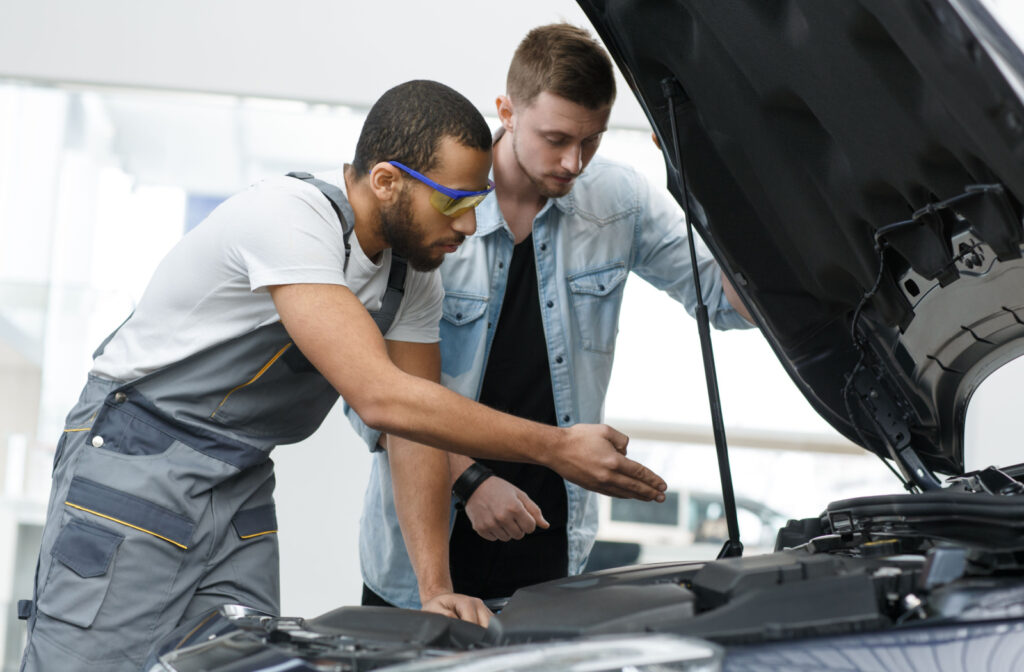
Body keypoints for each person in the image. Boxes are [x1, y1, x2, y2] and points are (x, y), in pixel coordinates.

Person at [19, 79, 667, 672]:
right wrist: (555, 447)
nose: (469, 227)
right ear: (387, 182)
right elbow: (380, 397)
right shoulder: (289, 220)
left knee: (248, 661)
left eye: (476, 204)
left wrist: (434, 592)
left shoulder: (410, 276)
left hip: (239, 477)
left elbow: (416, 424)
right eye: (453, 205)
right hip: (140, 460)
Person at [350, 26, 753, 619]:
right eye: (557, 139)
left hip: (551, 544)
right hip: (424, 544)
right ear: (507, 112)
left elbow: (727, 301)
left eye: (591, 141)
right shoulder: (427, 208)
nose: (574, 162)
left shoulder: (620, 202)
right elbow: (370, 393)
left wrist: (712, 188)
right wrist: (471, 481)